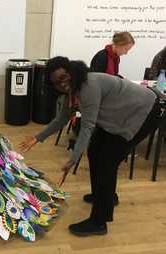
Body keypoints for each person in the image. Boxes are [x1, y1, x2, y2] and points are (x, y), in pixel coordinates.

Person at [19, 56, 163, 236]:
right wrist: (37, 138)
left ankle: (99, 222)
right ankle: (104, 197)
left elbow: (87, 127)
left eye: (64, 78)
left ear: (72, 72)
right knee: (96, 151)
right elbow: (60, 120)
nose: (62, 84)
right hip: (119, 116)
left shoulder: (88, 86)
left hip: (143, 111)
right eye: (56, 83)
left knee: (106, 162)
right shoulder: (70, 94)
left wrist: (72, 159)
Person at [86, 31, 135, 206]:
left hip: (108, 106)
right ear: (119, 45)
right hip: (100, 108)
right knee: (99, 154)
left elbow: (112, 80)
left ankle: (103, 195)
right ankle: (102, 195)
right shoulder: (102, 57)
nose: (126, 53)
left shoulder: (115, 58)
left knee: (101, 155)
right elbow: (96, 83)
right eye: (126, 49)